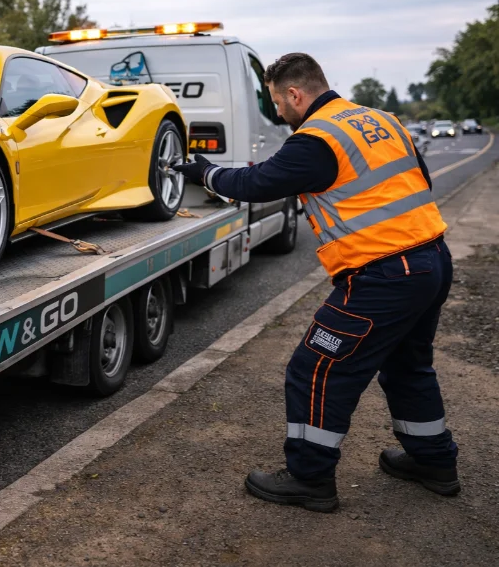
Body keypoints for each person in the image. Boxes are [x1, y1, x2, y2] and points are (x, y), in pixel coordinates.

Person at [174, 53, 459, 513]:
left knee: (316, 369)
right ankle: (434, 463)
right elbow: (418, 180)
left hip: (382, 274)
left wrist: (204, 172)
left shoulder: (317, 138)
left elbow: (257, 182)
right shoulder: (379, 120)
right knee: (408, 366)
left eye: (278, 103)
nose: (279, 114)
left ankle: (309, 478)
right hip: (431, 260)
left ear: (294, 94)